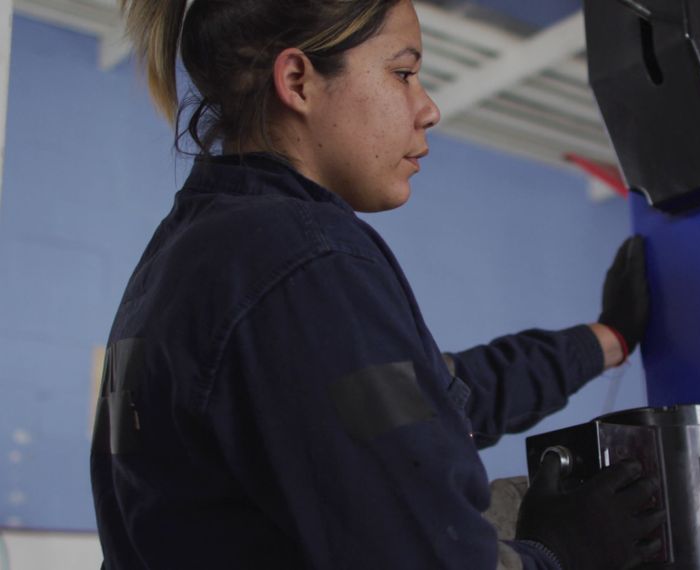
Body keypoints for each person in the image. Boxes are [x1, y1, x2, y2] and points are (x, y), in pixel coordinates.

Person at [91, 0, 661, 568]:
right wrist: (561, 553)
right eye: (404, 73)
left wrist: (605, 338)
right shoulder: (304, 258)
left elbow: (433, 401)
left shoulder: (189, 256)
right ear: (297, 80)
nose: (429, 108)